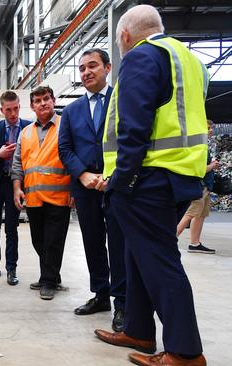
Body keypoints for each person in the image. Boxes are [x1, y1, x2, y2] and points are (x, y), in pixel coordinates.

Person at [94, 5, 208, 366]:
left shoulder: (143, 57)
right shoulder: (189, 60)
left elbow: (135, 125)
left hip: (148, 177)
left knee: (160, 261)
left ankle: (185, 352)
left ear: (125, 37)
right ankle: (139, 329)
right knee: (136, 254)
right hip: (181, 173)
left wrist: (123, 180)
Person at [58, 48, 126, 332]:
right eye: (82, 68)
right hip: (85, 188)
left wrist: (114, 175)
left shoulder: (121, 102)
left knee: (119, 244)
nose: (86, 72)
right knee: (93, 242)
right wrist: (83, 174)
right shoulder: (72, 111)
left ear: (107, 68)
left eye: (93, 66)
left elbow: (131, 139)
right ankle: (100, 294)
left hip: (116, 185)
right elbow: (65, 148)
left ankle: (122, 301)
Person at [11, 85, 71, 301]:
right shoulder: (25, 133)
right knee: (39, 240)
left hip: (59, 195)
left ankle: (48, 281)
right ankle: (52, 275)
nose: (43, 103)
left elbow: (73, 156)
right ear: (32, 106)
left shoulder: (66, 125)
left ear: (53, 100)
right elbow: (18, 163)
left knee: (53, 241)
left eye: (46, 98)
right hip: (33, 198)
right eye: (38, 100)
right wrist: (17, 188)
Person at [0, 91, 31, 286]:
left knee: (12, 228)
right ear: (2, 110)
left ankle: (12, 269)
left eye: (16, 108)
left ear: (20, 107)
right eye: (9, 110)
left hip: (16, 185)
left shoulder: (28, 128)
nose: (13, 113)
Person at [176, 120, 218, 254]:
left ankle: (195, 243)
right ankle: (170, 240)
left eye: (212, 128)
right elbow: (198, 169)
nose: (211, 130)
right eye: (209, 128)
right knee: (190, 214)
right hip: (199, 186)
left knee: (200, 215)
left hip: (205, 186)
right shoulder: (198, 146)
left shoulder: (204, 146)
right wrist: (212, 166)